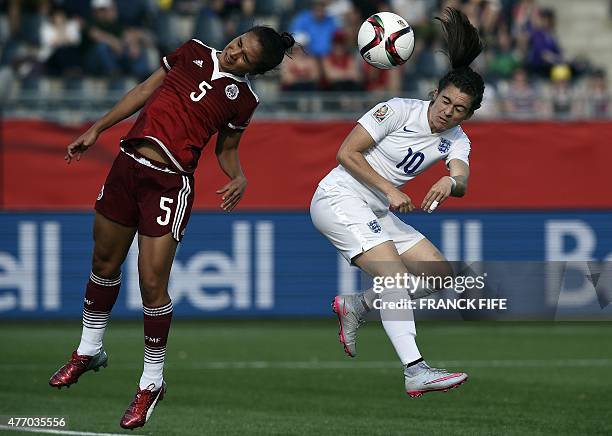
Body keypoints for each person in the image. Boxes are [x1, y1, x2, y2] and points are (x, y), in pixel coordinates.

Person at [48, 26, 295, 429]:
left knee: (151, 284)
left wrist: (239, 176)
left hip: (169, 182)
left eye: (245, 57)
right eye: (237, 44)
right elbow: (145, 90)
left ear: (257, 68)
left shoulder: (244, 100)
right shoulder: (193, 50)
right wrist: (98, 128)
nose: (234, 54)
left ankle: (151, 382)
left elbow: (227, 149)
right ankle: (88, 350)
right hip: (128, 166)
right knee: (104, 262)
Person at [310, 8, 483, 397]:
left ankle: (357, 305)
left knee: (440, 274)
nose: (448, 112)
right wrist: (390, 189)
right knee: (397, 279)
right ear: (434, 93)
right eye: (446, 101)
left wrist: (449, 181)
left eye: (460, 110)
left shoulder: (457, 139)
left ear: (469, 115)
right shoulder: (397, 110)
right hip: (338, 197)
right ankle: (415, 370)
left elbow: (462, 179)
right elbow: (346, 153)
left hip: (374, 208)